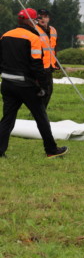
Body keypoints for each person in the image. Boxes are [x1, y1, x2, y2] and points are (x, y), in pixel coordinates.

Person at [0, 8, 68, 158]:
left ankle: (0, 150)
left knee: (7, 119)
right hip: (26, 85)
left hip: (7, 83)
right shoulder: (33, 38)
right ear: (30, 21)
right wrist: (43, 86)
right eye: (35, 20)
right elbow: (37, 65)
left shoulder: (5, 35)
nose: (37, 22)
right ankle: (51, 150)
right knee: (41, 118)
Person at [35, 9, 58, 108]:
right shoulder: (34, 29)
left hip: (49, 67)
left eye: (45, 17)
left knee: (49, 91)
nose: (43, 19)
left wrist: (55, 62)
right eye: (40, 17)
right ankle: (38, 111)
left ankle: (41, 111)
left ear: (49, 18)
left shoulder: (53, 30)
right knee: (40, 91)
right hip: (39, 66)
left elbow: (54, 47)